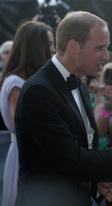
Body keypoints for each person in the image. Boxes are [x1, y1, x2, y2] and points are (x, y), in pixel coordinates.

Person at [15, 11, 112, 206]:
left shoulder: (76, 81)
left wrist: (95, 182)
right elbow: (68, 157)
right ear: (73, 46)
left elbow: (80, 147)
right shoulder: (39, 91)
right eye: (100, 48)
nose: (106, 56)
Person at [0, 21, 54, 206]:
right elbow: (26, 126)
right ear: (35, 46)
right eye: (49, 43)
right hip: (26, 157)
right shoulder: (15, 83)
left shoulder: (27, 80)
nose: (54, 49)